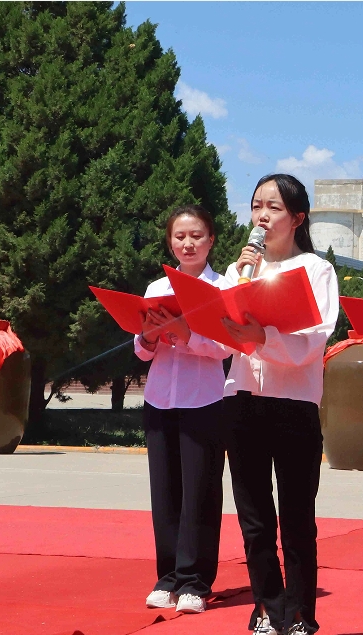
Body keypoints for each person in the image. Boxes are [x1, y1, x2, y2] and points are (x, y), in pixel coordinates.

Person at [222, 174, 340, 635]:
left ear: (297, 217)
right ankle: (267, 608)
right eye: (257, 206)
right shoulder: (238, 270)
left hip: (293, 403)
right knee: (254, 519)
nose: (262, 216)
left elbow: (313, 341)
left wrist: (263, 337)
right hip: (242, 398)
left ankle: (301, 613)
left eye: (273, 207)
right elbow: (220, 336)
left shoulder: (315, 270)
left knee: (296, 518)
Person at [137, 204, 231, 615]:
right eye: (180, 236)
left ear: (211, 240)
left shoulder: (222, 287)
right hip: (160, 398)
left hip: (203, 400)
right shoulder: (156, 287)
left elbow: (226, 347)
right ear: (170, 242)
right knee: (165, 493)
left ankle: (195, 581)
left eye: (196, 236)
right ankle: (168, 576)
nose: (188, 243)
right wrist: (148, 337)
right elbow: (141, 351)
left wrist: (186, 334)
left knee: (200, 492)